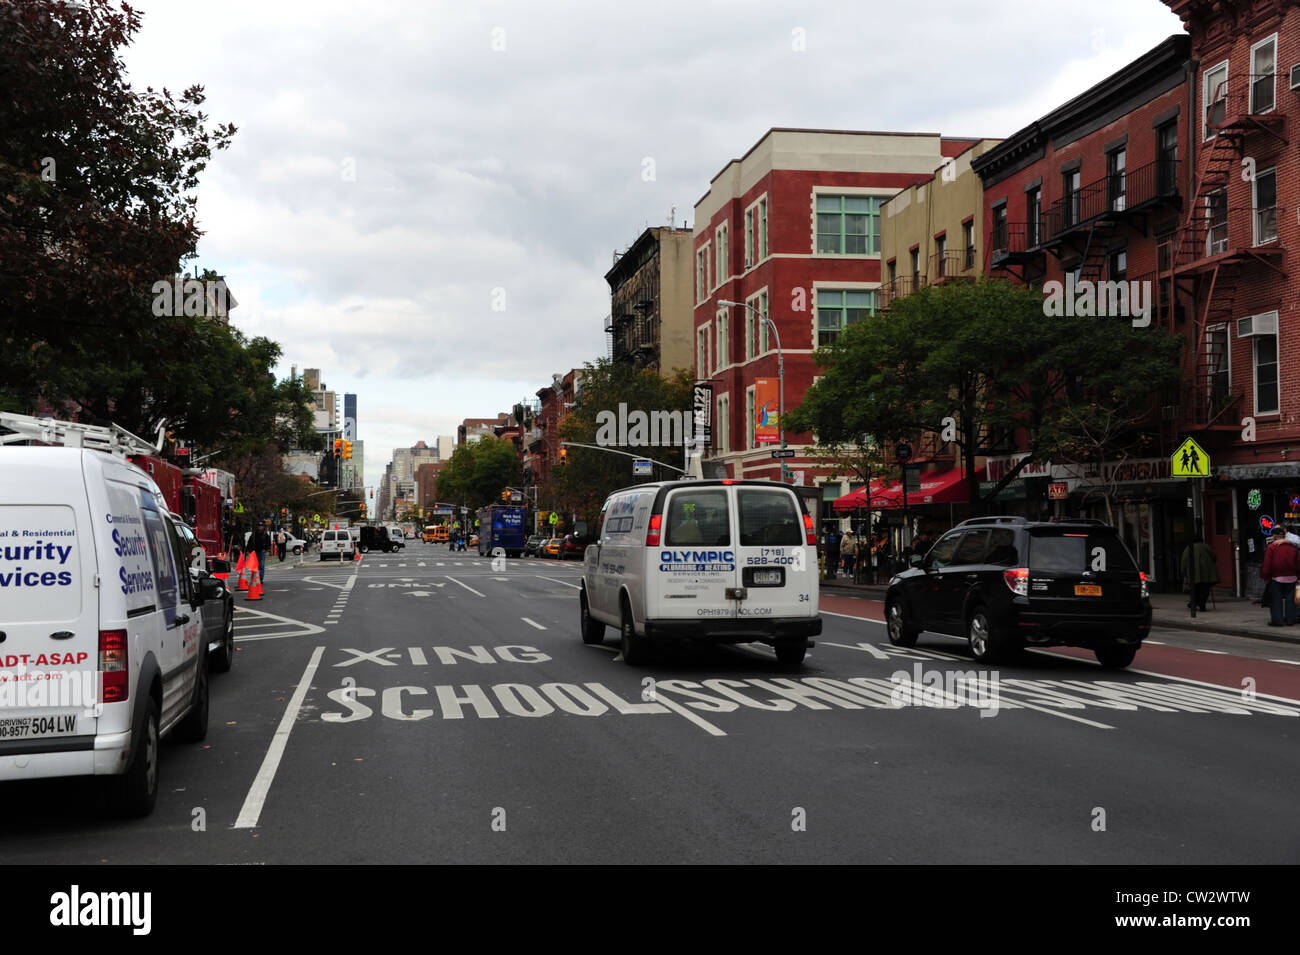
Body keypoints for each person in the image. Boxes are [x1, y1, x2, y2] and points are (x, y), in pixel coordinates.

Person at [1259, 525, 1298, 626]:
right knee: (1290, 601)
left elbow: (1267, 564)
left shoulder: (1271, 547)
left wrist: (1266, 576)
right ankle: (1290, 620)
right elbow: (1298, 563)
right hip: (1292, 577)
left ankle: (1277, 621)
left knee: (1276, 600)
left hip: (1277, 578)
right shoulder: (1293, 548)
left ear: (1274, 536)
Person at [1179, 533, 1219, 612]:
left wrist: (1183, 572)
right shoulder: (1206, 546)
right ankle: (1202, 606)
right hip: (1207, 574)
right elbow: (1214, 557)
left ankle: (1194, 603)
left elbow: (1184, 561)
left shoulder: (1188, 548)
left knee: (1195, 590)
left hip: (1193, 574)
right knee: (1204, 590)